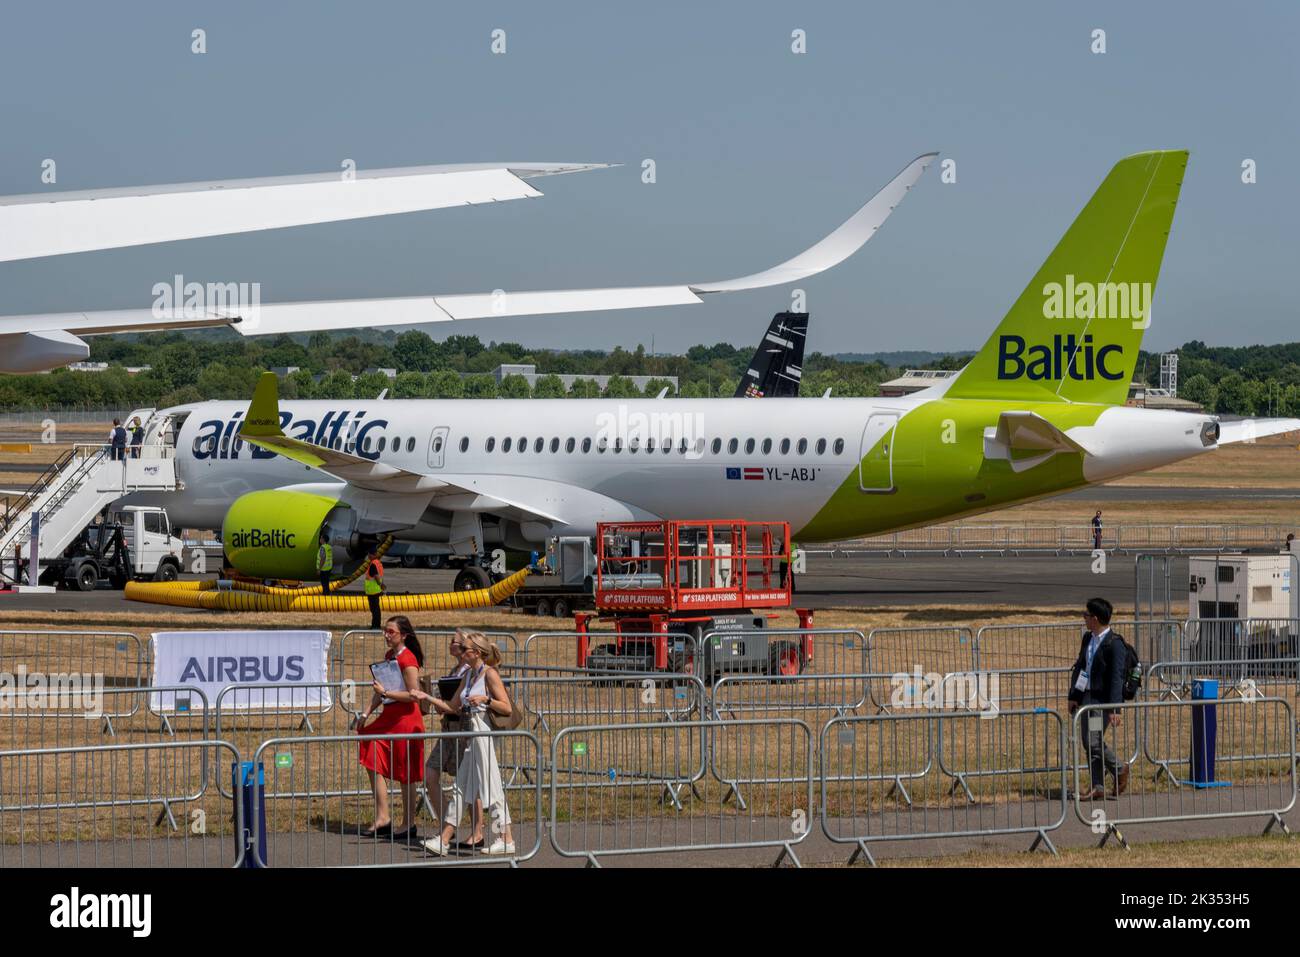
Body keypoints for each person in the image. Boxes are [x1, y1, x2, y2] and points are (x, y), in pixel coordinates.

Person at [418, 631, 516, 856]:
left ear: (477, 652)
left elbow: (506, 707)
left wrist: (486, 699)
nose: (461, 652)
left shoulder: (489, 674)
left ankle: (505, 837)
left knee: (491, 787)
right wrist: (426, 698)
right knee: (461, 787)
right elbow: (452, 706)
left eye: (465, 649)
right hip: (471, 735)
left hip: (484, 734)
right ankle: (444, 838)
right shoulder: (469, 675)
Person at [356, 615, 426, 842]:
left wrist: (385, 693)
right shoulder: (389, 657)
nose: (386, 635)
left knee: (406, 773)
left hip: (407, 719)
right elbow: (381, 691)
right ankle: (383, 816)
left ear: (403, 635)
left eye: (391, 632)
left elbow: (413, 695)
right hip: (389, 716)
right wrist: (366, 713)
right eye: (385, 631)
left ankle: (408, 823)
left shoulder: (408, 659)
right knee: (370, 749)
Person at [1067, 597, 1129, 800]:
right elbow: (1081, 668)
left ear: (1094, 618)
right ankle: (1098, 787)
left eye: (1086, 615)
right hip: (1087, 699)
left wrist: (1114, 709)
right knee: (1089, 742)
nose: (1084, 618)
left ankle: (1119, 768)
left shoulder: (1114, 644)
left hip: (1101, 703)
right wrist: (1074, 696)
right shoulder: (1088, 638)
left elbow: (1116, 678)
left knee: (1092, 741)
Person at [419, 630, 471, 836]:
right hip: (447, 729)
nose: (450, 645)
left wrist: (432, 699)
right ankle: (446, 825)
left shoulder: (468, 671)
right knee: (430, 773)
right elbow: (447, 706)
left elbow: (457, 705)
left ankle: (476, 831)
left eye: (454, 642)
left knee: (466, 782)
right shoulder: (454, 670)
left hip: (463, 730)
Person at [363, 549, 385, 628]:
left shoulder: (373, 564)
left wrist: (381, 584)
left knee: (374, 610)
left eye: (369, 554)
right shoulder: (378, 563)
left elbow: (376, 576)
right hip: (377, 590)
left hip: (372, 591)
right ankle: (376, 625)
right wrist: (381, 585)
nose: (368, 556)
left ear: (372, 555)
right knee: (376, 609)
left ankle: (375, 626)